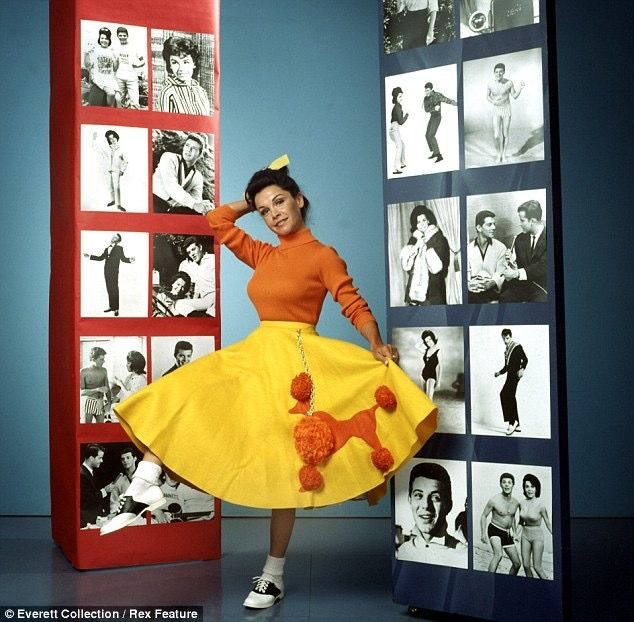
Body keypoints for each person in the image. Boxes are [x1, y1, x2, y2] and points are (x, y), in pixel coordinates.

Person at [99, 161, 437, 611]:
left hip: (297, 362)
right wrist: (255, 189)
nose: (273, 213)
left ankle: (272, 574)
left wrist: (375, 342)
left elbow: (351, 302)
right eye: (263, 210)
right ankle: (145, 479)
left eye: (280, 201)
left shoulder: (323, 255)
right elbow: (216, 220)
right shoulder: (264, 254)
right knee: (182, 392)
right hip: (256, 356)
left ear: (299, 200)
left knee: (287, 467)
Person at [396, 462, 466, 566]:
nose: (426, 505)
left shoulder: (463, 555)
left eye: (435, 497)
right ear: (409, 500)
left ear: (448, 505)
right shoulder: (404, 551)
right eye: (418, 495)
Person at [400, 204, 450, 305]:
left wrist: (426, 245)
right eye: (418, 222)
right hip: (414, 290)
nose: (421, 224)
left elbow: (439, 267)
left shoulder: (438, 238)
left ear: (428, 220)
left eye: (423, 220)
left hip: (433, 290)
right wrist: (417, 246)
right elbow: (406, 265)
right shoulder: (414, 239)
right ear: (415, 225)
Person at [152, 133, 212, 215]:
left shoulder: (198, 176)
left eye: (193, 148)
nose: (188, 150)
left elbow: (197, 200)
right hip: (153, 202)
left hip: (171, 210)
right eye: (187, 145)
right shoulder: (169, 157)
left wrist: (205, 207)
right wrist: (194, 204)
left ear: (199, 154)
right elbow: (171, 187)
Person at [501, 200, 547, 302]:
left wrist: (517, 273)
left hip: (542, 287)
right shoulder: (519, 239)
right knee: (504, 298)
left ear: (533, 221)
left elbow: (543, 266)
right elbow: (520, 266)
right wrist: (512, 262)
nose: (519, 224)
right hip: (523, 286)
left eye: (522, 220)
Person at [83, 233, 135, 316]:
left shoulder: (119, 248)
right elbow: (100, 258)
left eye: (115, 237)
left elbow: (123, 259)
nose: (113, 238)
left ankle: (116, 308)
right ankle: (112, 306)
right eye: (113, 236)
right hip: (106, 271)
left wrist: (130, 259)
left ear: (118, 240)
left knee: (114, 289)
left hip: (114, 271)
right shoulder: (107, 248)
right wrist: (89, 256)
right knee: (109, 288)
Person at [480, 472, 522, 574]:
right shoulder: (494, 500)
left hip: (507, 533)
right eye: (504, 482)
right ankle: (489, 580)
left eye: (509, 482)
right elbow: (483, 516)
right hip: (494, 529)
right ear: (500, 484)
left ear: (513, 485)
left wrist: (515, 533)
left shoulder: (516, 503)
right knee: (498, 555)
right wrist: (483, 533)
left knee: (517, 564)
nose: (506, 484)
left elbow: (512, 518)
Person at [157, 36, 211, 116]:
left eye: (185, 62)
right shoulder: (167, 93)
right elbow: (163, 126)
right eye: (175, 62)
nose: (181, 69)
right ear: (170, 65)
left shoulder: (201, 91)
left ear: (194, 63)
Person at [487, 62, 525, 163]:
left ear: (504, 72)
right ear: (494, 73)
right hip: (496, 110)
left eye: (500, 72)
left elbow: (515, 96)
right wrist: (493, 101)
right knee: (496, 135)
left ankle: (503, 154)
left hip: (506, 110)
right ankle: (498, 154)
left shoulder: (509, 83)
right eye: (496, 72)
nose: (498, 74)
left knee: (505, 134)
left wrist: (520, 88)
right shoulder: (490, 84)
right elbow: (487, 96)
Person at [467, 210, 507, 303]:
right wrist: (469, 284)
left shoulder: (501, 247)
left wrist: (491, 284)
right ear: (479, 227)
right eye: (489, 225)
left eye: (494, 224)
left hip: (492, 290)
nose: (494, 227)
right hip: (473, 290)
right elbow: (466, 273)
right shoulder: (468, 249)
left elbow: (501, 273)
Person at [517, 473, 552, 579]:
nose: (529, 489)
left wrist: (557, 536)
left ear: (536, 488)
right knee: (526, 565)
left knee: (537, 567)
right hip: (525, 536)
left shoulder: (541, 505)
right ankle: (532, 586)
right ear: (524, 488)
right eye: (527, 486)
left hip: (537, 537)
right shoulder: (521, 503)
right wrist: (515, 534)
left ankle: (547, 587)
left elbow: (548, 523)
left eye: (532, 486)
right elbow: (520, 522)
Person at [494, 328, 528, 435]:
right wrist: (499, 373)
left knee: (507, 395)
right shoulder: (506, 350)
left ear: (510, 337)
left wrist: (522, 369)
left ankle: (512, 422)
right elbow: (507, 366)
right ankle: (516, 423)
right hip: (509, 376)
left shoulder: (517, 347)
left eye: (507, 338)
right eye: (504, 339)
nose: (505, 341)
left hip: (515, 376)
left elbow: (525, 359)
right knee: (506, 395)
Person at [173, 237, 215, 317]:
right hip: (205, 300)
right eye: (189, 252)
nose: (192, 254)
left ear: (200, 247)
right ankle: (199, 318)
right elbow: (197, 288)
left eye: (193, 249)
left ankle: (205, 316)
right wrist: (193, 304)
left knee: (211, 316)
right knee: (178, 303)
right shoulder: (195, 266)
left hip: (216, 297)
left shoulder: (212, 259)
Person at [83, 27, 121, 107]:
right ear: (99, 39)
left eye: (106, 38)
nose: (104, 40)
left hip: (110, 79)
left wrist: (116, 60)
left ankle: (111, 110)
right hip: (100, 79)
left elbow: (115, 69)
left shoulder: (111, 51)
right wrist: (86, 53)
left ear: (109, 40)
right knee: (111, 93)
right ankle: (108, 109)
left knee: (118, 99)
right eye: (102, 38)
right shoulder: (95, 50)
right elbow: (88, 65)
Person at [92, 130, 128, 211]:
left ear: (116, 137)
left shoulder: (121, 149)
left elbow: (125, 161)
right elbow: (96, 148)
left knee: (116, 187)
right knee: (110, 186)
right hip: (108, 170)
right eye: (110, 139)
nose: (112, 140)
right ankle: (113, 200)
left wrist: (122, 170)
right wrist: (94, 139)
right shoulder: (107, 148)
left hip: (116, 170)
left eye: (113, 137)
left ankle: (119, 205)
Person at [422, 82, 457, 163]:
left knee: (431, 135)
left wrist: (457, 104)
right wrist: (434, 108)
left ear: (431, 89)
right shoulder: (425, 98)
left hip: (437, 117)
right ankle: (434, 152)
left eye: (427, 90)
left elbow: (447, 100)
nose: (426, 92)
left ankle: (439, 155)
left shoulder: (437, 95)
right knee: (427, 135)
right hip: (432, 116)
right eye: (425, 90)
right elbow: (426, 110)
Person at [80, 444, 114, 527]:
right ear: (91, 458)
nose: (102, 461)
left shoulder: (86, 472)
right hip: (87, 520)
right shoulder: (82, 475)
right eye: (100, 458)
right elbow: (87, 499)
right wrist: (105, 491)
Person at [114, 26, 145, 109]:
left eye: (124, 35)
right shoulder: (116, 48)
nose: (122, 37)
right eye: (120, 35)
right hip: (119, 77)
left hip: (131, 78)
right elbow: (116, 63)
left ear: (127, 36)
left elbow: (143, 60)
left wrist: (137, 65)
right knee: (119, 100)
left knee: (135, 102)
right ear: (117, 36)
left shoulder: (133, 47)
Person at [79, 347, 111, 424]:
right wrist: (98, 389)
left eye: (103, 359)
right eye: (101, 359)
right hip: (88, 402)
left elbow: (107, 388)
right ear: (93, 359)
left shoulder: (104, 370)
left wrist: (109, 403)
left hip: (100, 401)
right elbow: (81, 392)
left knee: (100, 429)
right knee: (87, 429)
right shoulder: (83, 372)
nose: (104, 361)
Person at [108, 447, 139, 517]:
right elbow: (114, 501)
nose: (125, 461)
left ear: (135, 458)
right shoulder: (119, 480)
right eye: (123, 459)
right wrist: (114, 514)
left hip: (143, 514)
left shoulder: (143, 476)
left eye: (128, 458)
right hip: (125, 516)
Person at [389, 87, 408, 175]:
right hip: (395, 128)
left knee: (402, 145)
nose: (401, 98)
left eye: (402, 96)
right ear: (395, 97)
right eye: (399, 96)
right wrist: (407, 115)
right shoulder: (397, 107)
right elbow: (401, 122)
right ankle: (396, 169)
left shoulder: (397, 107)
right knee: (399, 147)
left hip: (393, 128)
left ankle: (402, 163)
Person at [420, 330, 440, 400]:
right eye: (427, 341)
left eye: (430, 339)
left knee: (429, 399)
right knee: (424, 398)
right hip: (423, 375)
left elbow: (440, 367)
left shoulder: (438, 351)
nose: (429, 342)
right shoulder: (426, 350)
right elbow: (417, 346)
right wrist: (423, 340)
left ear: (433, 338)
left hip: (432, 376)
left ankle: (432, 411)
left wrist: (438, 381)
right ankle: (424, 411)